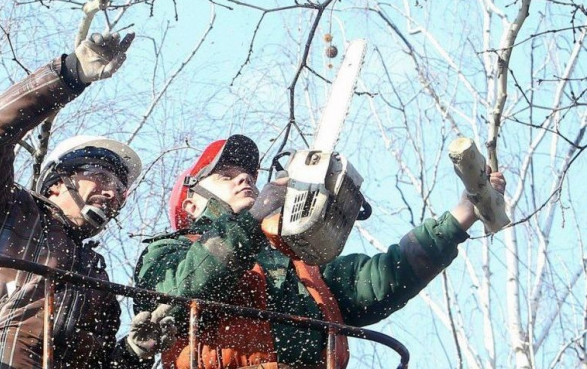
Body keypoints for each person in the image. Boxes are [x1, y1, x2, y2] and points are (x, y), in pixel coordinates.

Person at [134, 134, 506, 369]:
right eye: (225, 174)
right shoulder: (168, 254)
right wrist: (255, 220)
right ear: (192, 204)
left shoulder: (299, 264)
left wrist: (460, 217)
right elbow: (179, 292)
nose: (245, 177)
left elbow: (379, 279)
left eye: (249, 173)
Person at [0, 32, 175, 369]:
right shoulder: (3, 212)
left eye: (121, 189)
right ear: (57, 183)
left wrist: (133, 353)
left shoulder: (96, 284)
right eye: (102, 178)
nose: (112, 194)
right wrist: (71, 73)